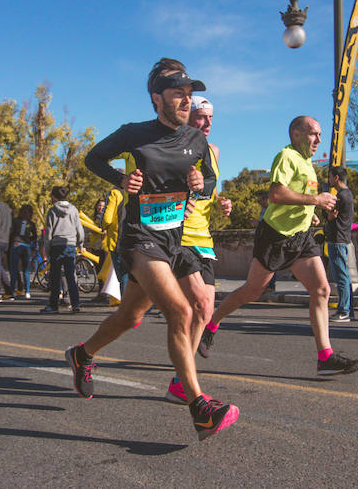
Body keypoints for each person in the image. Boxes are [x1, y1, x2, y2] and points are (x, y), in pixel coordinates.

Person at [65, 58, 238, 441]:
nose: (186, 102)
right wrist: (120, 178)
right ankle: (199, 406)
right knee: (180, 308)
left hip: (174, 238)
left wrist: (199, 182)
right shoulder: (134, 133)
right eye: (179, 94)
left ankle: (82, 355)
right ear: (157, 98)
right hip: (140, 237)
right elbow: (93, 157)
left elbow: (208, 180)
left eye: (190, 95)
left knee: (129, 316)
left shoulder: (196, 139)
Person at [200, 116, 358, 378]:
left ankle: (325, 357)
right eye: (313, 134)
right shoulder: (286, 156)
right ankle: (212, 323)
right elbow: (276, 194)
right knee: (252, 291)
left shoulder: (307, 163)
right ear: (296, 134)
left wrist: (311, 211)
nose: (318, 140)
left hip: (301, 237)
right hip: (275, 237)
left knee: (321, 289)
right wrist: (314, 199)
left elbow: (300, 197)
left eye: (319, 135)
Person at [163, 94, 233, 404]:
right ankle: (184, 384)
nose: (207, 123)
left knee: (204, 309)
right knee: (202, 303)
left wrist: (222, 203)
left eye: (211, 118)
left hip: (203, 238)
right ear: (188, 115)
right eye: (201, 117)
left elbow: (209, 190)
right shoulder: (171, 145)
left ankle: (180, 380)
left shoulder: (213, 151)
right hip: (176, 236)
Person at [40, 186, 85, 313]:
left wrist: (47, 250)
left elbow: (48, 232)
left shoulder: (52, 211)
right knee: (71, 275)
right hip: (70, 244)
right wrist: (80, 244)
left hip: (56, 245)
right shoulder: (73, 210)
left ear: (54, 196)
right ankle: (76, 303)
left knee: (55, 276)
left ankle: (53, 305)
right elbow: (79, 229)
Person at [325, 166, 355, 322]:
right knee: (345, 277)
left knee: (341, 277)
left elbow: (331, 217)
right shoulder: (347, 194)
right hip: (343, 238)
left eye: (330, 177)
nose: (328, 180)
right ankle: (349, 309)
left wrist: (329, 217)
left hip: (337, 239)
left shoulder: (341, 196)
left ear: (336, 178)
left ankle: (344, 311)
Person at [10, 204, 37, 298]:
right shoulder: (31, 223)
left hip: (16, 244)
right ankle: (27, 291)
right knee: (26, 270)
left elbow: (11, 233)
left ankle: (12, 291)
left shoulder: (15, 221)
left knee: (14, 269)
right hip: (27, 245)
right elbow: (35, 237)